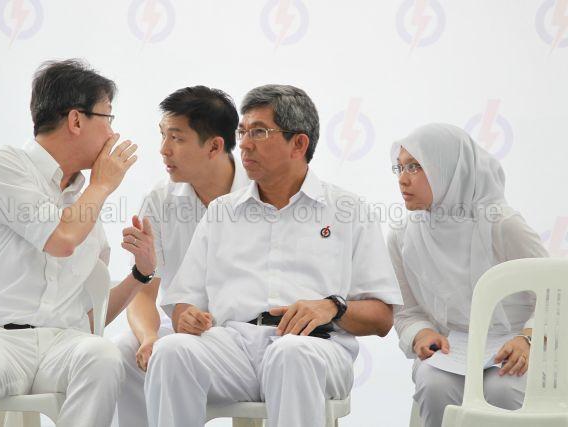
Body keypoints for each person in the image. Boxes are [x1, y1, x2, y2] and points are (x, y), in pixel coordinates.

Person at [144, 84, 403, 427]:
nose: (245, 143)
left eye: (260, 132)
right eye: (243, 131)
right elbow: (183, 302)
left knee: (289, 353)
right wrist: (187, 316)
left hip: (316, 347)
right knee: (171, 351)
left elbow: (382, 317)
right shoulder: (222, 212)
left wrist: (332, 307)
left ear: (299, 143)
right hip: (234, 346)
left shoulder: (348, 211)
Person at [0, 59, 156, 427]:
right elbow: (61, 239)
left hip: (62, 344)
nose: (113, 135)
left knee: (103, 356)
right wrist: (102, 185)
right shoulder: (2, 165)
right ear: (76, 120)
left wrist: (140, 274)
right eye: (108, 119)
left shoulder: (86, 203)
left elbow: (91, 317)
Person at [388, 123, 547, 427]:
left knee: (503, 390)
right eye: (399, 167)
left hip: (519, 344)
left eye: (415, 167)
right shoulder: (402, 235)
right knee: (434, 385)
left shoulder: (501, 225)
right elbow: (406, 310)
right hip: (454, 349)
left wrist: (528, 339)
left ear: (448, 169)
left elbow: (554, 294)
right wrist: (421, 333)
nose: (402, 179)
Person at [113, 85, 249, 427]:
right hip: (177, 330)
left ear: (215, 145)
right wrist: (148, 337)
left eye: (177, 138)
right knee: (124, 352)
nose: (163, 150)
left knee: (176, 354)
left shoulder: (261, 194)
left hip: (243, 335)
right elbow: (144, 292)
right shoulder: (160, 199)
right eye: (162, 136)